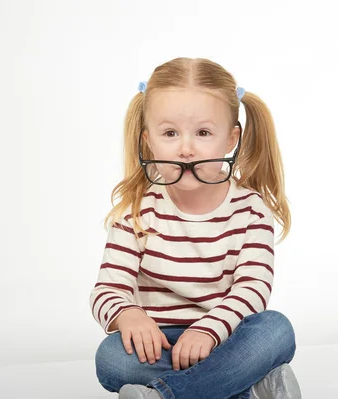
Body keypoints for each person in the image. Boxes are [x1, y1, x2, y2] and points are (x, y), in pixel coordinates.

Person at [89, 57, 301, 399]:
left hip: (229, 337)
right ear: (148, 140)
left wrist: (210, 330)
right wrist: (127, 314)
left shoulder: (250, 210)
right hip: (161, 345)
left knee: (276, 330)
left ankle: (166, 395)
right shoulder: (137, 210)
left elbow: (253, 290)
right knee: (112, 359)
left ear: (231, 139)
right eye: (170, 133)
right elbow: (106, 290)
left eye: (203, 133)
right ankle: (249, 388)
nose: (186, 149)